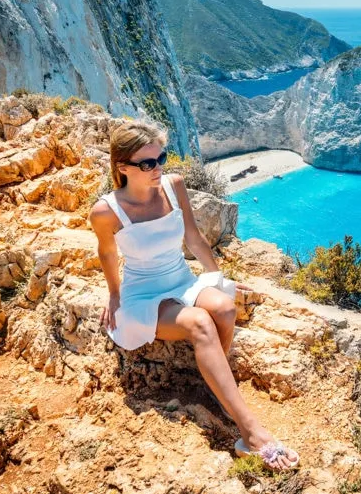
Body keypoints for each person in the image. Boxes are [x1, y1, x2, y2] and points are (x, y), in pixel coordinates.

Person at [88, 121, 299, 470]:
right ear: (122, 167)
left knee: (226, 309)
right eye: (147, 163)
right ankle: (252, 434)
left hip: (181, 279)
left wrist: (216, 276)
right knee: (201, 322)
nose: (158, 168)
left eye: (161, 158)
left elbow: (194, 238)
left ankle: (217, 387)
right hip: (143, 294)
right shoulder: (106, 211)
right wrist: (113, 295)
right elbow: (107, 254)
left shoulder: (173, 186)